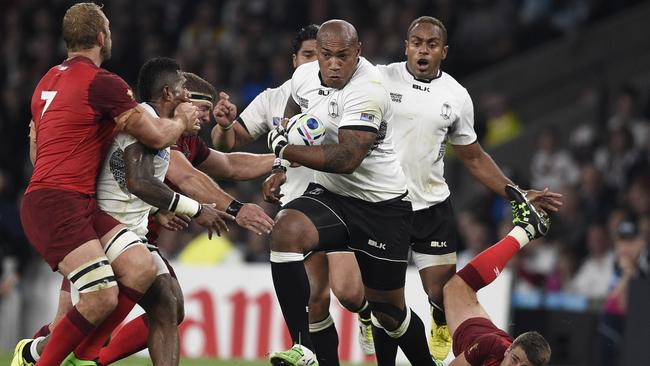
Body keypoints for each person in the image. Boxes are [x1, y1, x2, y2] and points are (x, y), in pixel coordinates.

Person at [15, 3, 198, 366]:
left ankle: (62, 352)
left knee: (140, 266)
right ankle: (54, 359)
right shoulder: (103, 83)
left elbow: (39, 153)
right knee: (101, 296)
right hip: (58, 205)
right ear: (102, 37)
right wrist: (180, 121)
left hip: (76, 203)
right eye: (109, 30)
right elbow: (156, 136)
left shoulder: (46, 81)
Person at [374, 16, 563, 363]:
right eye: (416, 42)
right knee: (385, 300)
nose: (423, 50)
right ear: (406, 46)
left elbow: (474, 157)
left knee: (441, 294)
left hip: (432, 206)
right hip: (386, 205)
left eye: (431, 44)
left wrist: (516, 192)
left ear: (443, 51)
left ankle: (439, 319)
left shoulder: (456, 96)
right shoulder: (380, 78)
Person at [262, 19, 433, 366]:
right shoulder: (305, 75)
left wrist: (285, 151)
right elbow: (293, 108)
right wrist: (283, 153)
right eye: (327, 55)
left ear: (358, 52)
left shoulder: (369, 88)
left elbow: (347, 158)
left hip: (379, 207)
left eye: (344, 56)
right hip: (331, 197)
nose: (335, 63)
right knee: (285, 231)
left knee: (388, 312)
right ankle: (302, 346)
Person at [211, 24, 373, 363]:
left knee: (350, 293)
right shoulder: (273, 98)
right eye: (309, 55)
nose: (318, 63)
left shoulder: (346, 94)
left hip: (342, 205)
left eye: (324, 55)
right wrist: (225, 125)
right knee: (314, 299)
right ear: (295, 59)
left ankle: (367, 314)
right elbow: (228, 143)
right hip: (300, 214)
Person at [95, 71, 276, 365]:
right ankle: (40, 354)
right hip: (105, 230)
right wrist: (234, 209)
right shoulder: (158, 131)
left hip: (137, 236)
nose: (205, 118)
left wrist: (285, 157)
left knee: (169, 307)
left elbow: (230, 164)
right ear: (180, 99)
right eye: (202, 109)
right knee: (86, 315)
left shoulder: (189, 142)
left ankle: (93, 359)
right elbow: (187, 177)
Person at [444, 184, 552, 366]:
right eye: (514, 359)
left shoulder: (499, 349)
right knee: (457, 286)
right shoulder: (493, 346)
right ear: (508, 350)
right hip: (472, 328)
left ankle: (525, 230)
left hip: (476, 329)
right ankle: (526, 230)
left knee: (451, 288)